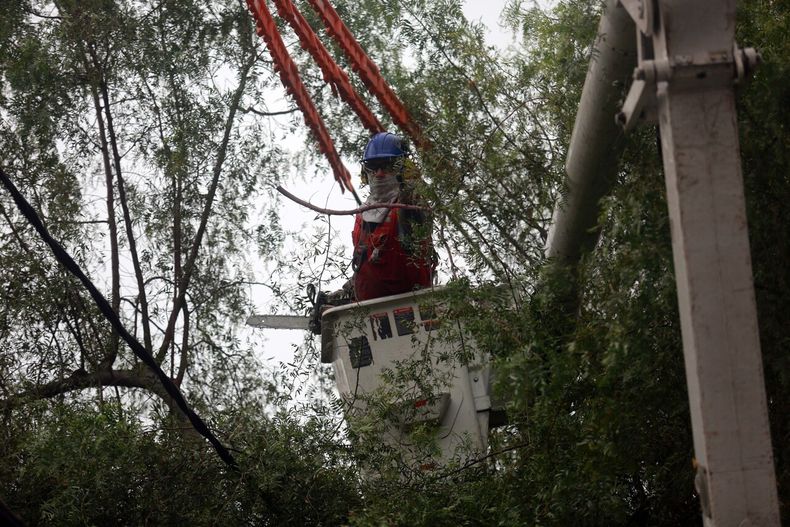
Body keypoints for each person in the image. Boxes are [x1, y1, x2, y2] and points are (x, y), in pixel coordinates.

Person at [351, 132, 435, 301]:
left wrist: (413, 183)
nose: (379, 174)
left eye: (387, 166)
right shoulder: (361, 215)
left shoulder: (410, 205)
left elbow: (421, 207)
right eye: (374, 166)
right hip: (369, 310)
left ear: (404, 170)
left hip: (412, 305)